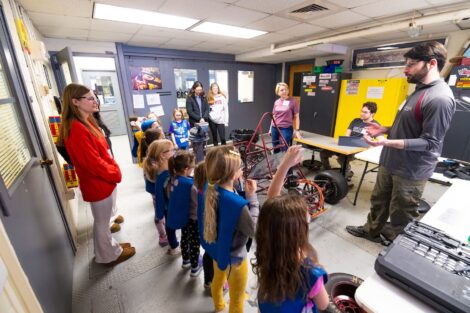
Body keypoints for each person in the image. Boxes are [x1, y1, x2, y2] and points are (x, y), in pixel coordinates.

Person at [346, 41, 456, 244]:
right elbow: (408, 124)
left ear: (431, 63)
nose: (405, 70)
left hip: (411, 169)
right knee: (379, 201)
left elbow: (430, 142)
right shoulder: (418, 90)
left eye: (411, 64)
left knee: (402, 212)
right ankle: (371, 230)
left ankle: (399, 246)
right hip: (391, 161)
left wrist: (387, 143)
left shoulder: (439, 98)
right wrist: (384, 129)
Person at [58, 83, 135, 266]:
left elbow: (102, 151)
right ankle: (108, 255)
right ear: (75, 102)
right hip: (97, 182)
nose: (95, 101)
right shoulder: (76, 128)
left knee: (104, 219)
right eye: (90, 98)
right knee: (102, 222)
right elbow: (92, 163)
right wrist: (114, 172)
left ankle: (109, 247)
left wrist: (112, 168)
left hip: (103, 180)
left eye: (95, 97)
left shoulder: (87, 121)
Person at [252, 145, 328, 312]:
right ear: (299, 231)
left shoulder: (268, 246)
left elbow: (273, 200)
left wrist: (285, 164)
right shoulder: (311, 272)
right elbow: (323, 304)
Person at [202, 146, 259, 312]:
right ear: (234, 174)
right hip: (236, 258)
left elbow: (228, 200)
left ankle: (219, 305)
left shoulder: (210, 188)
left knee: (217, 282)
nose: (242, 170)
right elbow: (253, 230)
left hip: (217, 252)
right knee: (237, 298)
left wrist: (241, 193)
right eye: (240, 167)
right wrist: (252, 198)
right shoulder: (238, 205)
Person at [320, 102, 381, 179]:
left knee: (342, 159)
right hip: (347, 145)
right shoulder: (356, 120)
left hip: (359, 149)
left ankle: (344, 177)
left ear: (372, 114)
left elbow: (377, 142)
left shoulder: (375, 125)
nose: (361, 113)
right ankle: (328, 172)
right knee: (323, 153)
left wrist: (370, 142)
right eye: (361, 111)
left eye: (365, 112)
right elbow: (347, 135)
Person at [167, 150, 203, 277]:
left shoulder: (173, 179)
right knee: (194, 242)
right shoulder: (190, 184)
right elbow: (196, 204)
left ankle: (186, 260)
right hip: (193, 218)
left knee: (184, 238)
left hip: (183, 217)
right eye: (192, 168)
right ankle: (195, 267)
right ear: (186, 168)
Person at [149, 139, 181, 254]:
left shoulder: (165, 171)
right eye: (172, 150)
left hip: (171, 207)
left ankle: (173, 245)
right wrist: (159, 214)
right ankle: (174, 247)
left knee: (170, 226)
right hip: (171, 208)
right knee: (170, 226)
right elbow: (160, 198)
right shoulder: (164, 176)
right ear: (163, 155)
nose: (174, 151)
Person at [141, 128, 168, 247]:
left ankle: (164, 233)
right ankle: (163, 236)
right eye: (162, 138)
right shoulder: (153, 161)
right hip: (158, 191)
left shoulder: (151, 157)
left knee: (160, 211)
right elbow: (154, 178)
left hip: (157, 191)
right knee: (160, 213)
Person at [270, 82, 301, 152]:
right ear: (278, 92)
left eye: (286, 89)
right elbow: (274, 116)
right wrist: (270, 129)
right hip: (274, 128)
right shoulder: (276, 102)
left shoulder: (293, 101)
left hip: (286, 128)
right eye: (282, 90)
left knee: (284, 148)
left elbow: (297, 116)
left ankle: (284, 162)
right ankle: (277, 162)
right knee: (275, 147)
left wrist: (297, 130)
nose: (284, 91)